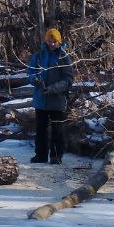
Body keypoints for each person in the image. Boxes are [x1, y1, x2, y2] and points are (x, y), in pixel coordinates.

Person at [27, 28, 74, 164]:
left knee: (57, 130)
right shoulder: (39, 55)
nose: (52, 44)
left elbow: (68, 80)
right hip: (41, 100)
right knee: (40, 130)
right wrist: (34, 79)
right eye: (49, 41)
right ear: (45, 40)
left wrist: (53, 89)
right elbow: (30, 72)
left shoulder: (64, 57)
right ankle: (40, 156)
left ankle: (56, 156)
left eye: (55, 41)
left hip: (58, 100)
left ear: (59, 41)